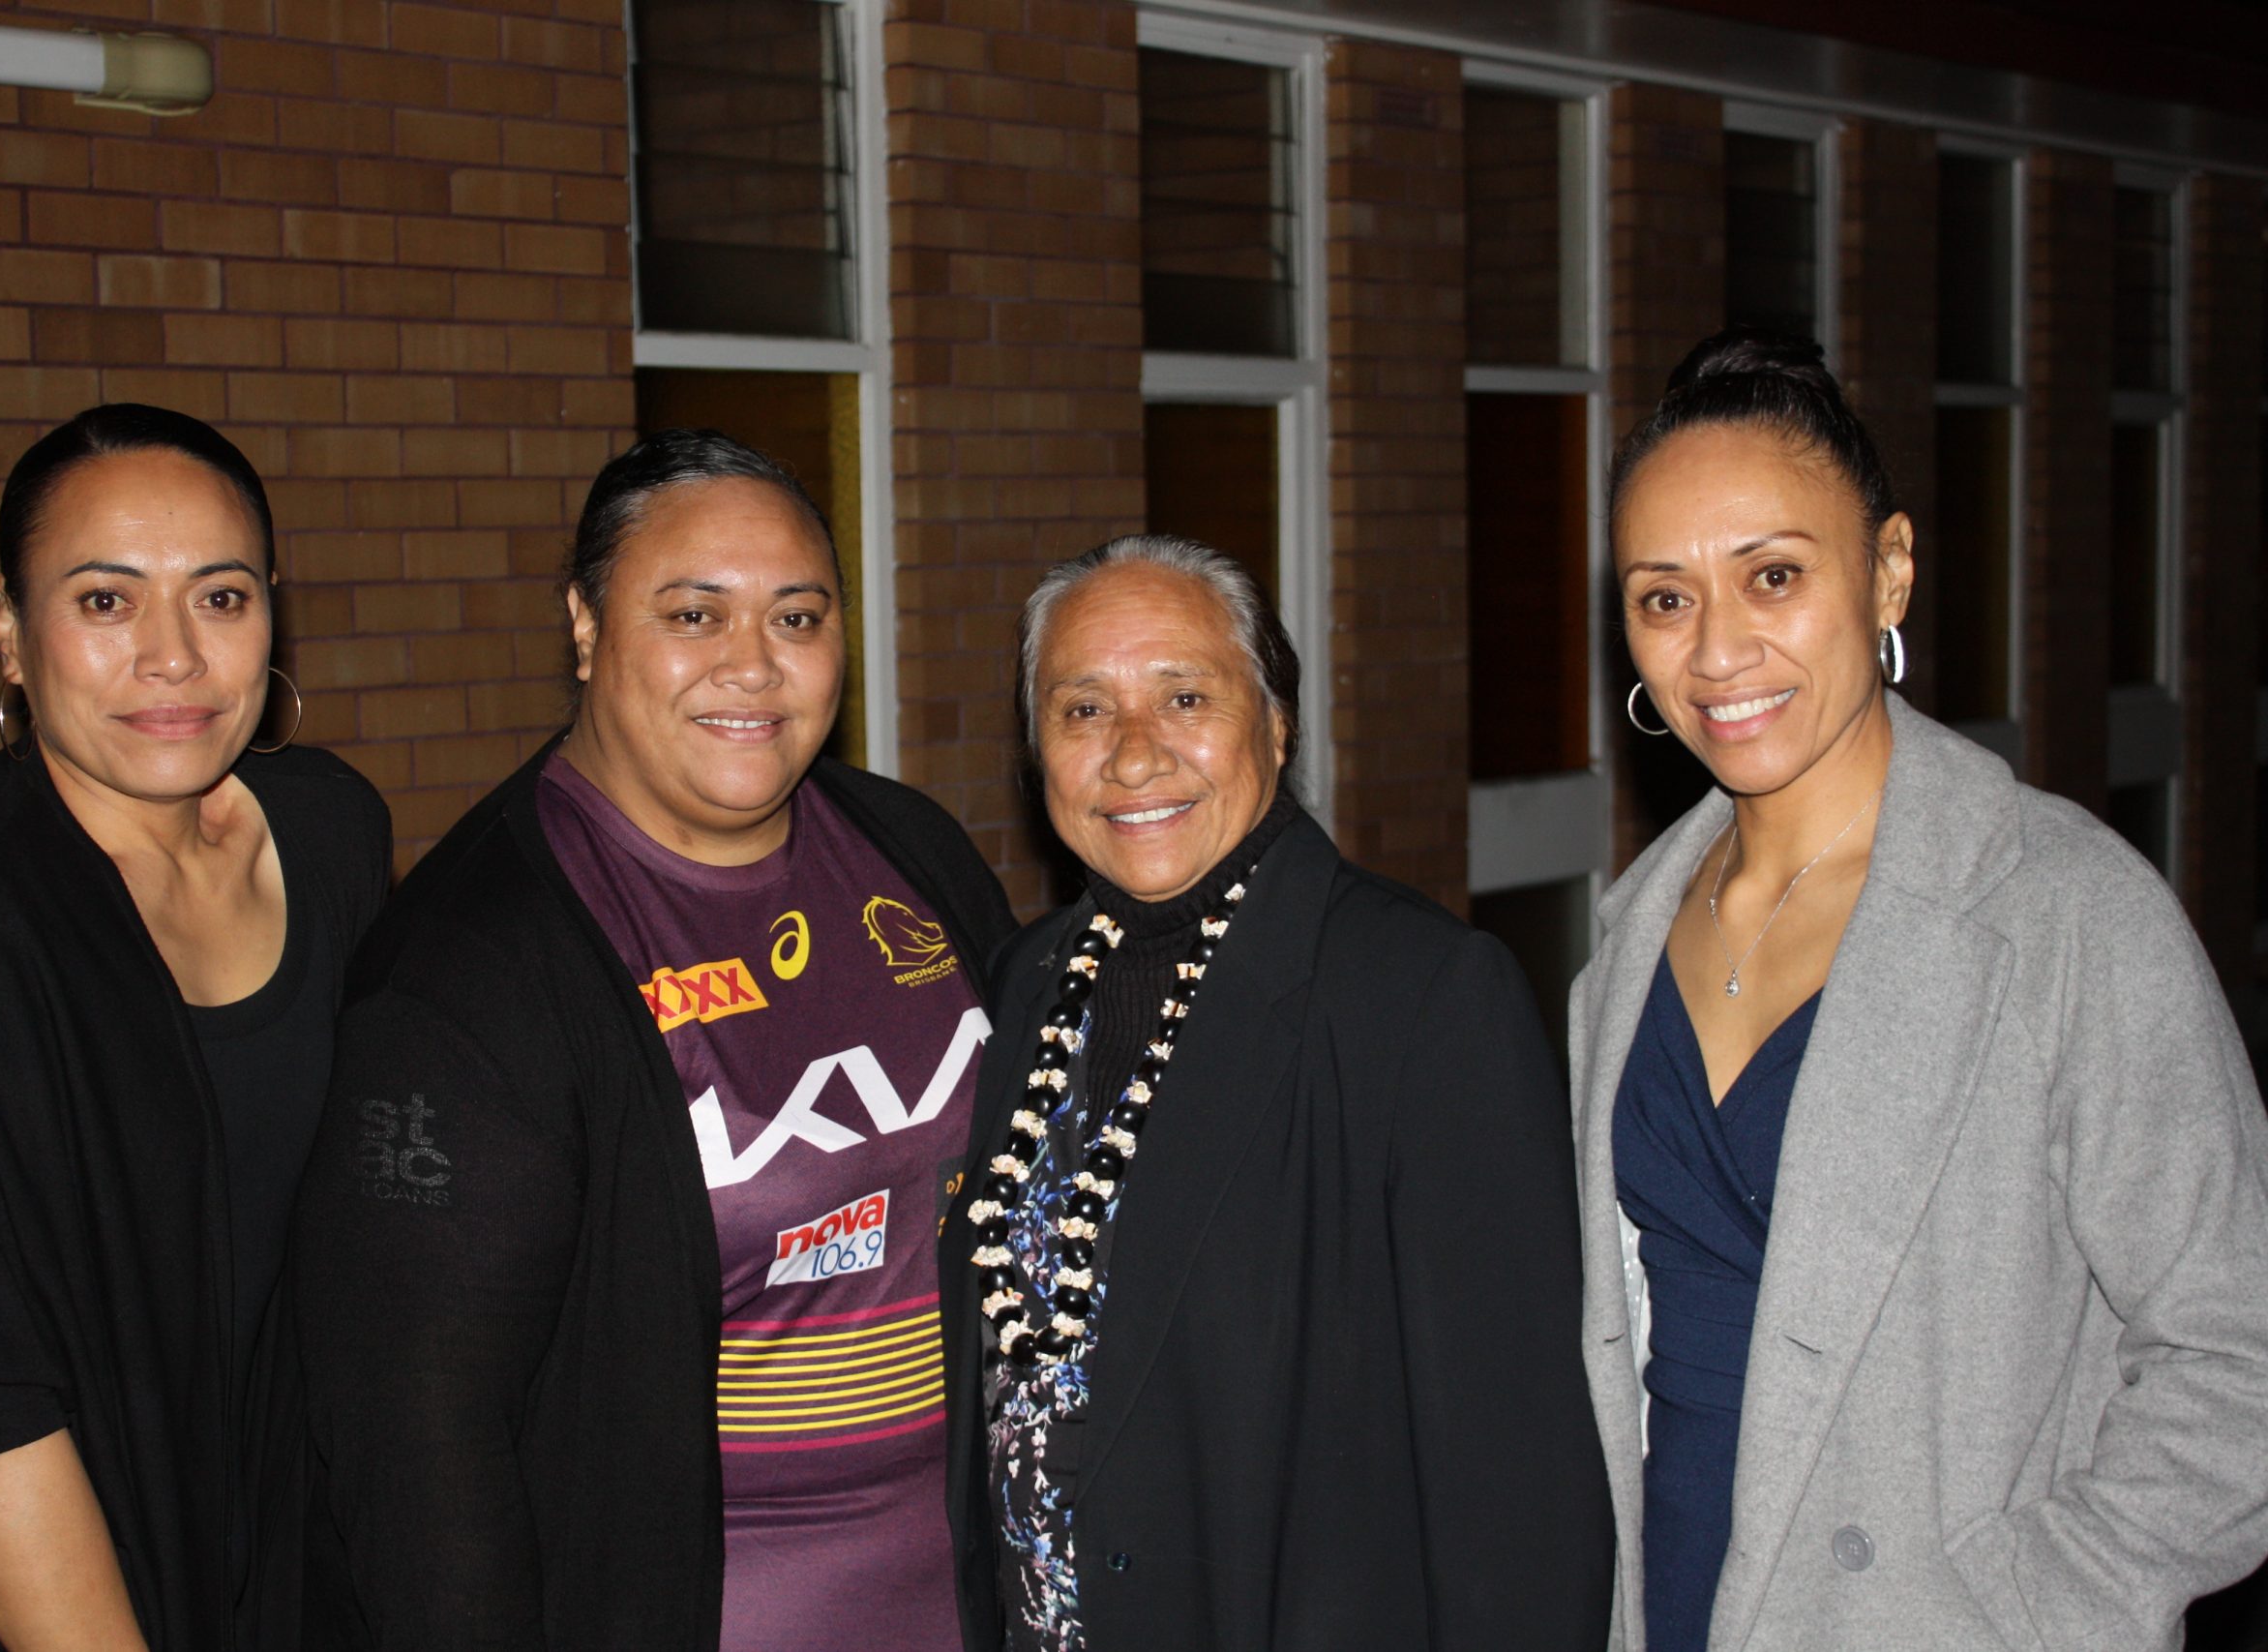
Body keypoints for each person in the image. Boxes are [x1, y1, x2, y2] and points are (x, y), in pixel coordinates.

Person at [1573, 328, 2268, 1652]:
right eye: (1664, 598)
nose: (1716, 650)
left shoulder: (2060, 912)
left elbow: (2242, 1356)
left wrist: (2021, 1609)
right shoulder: (1626, 939)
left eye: (1774, 575)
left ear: (1890, 568)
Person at [293, 428, 1017, 1651]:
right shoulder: (475, 971)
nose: (755, 665)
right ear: (584, 627)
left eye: (797, 618)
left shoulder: (913, 852)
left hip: (988, 1593)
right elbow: (418, 1450)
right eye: (693, 615)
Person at [940, 535, 1615, 1652]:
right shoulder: (1025, 984)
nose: (1134, 754)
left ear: (1277, 722)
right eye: (1083, 709)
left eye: (1185, 697)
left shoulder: (1421, 997)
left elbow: (1518, 1489)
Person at [0, 405, 393, 1650]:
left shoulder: (333, 835)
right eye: (107, 602)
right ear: (11, 634)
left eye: (220, 598)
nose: (173, 656)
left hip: (272, 1578)